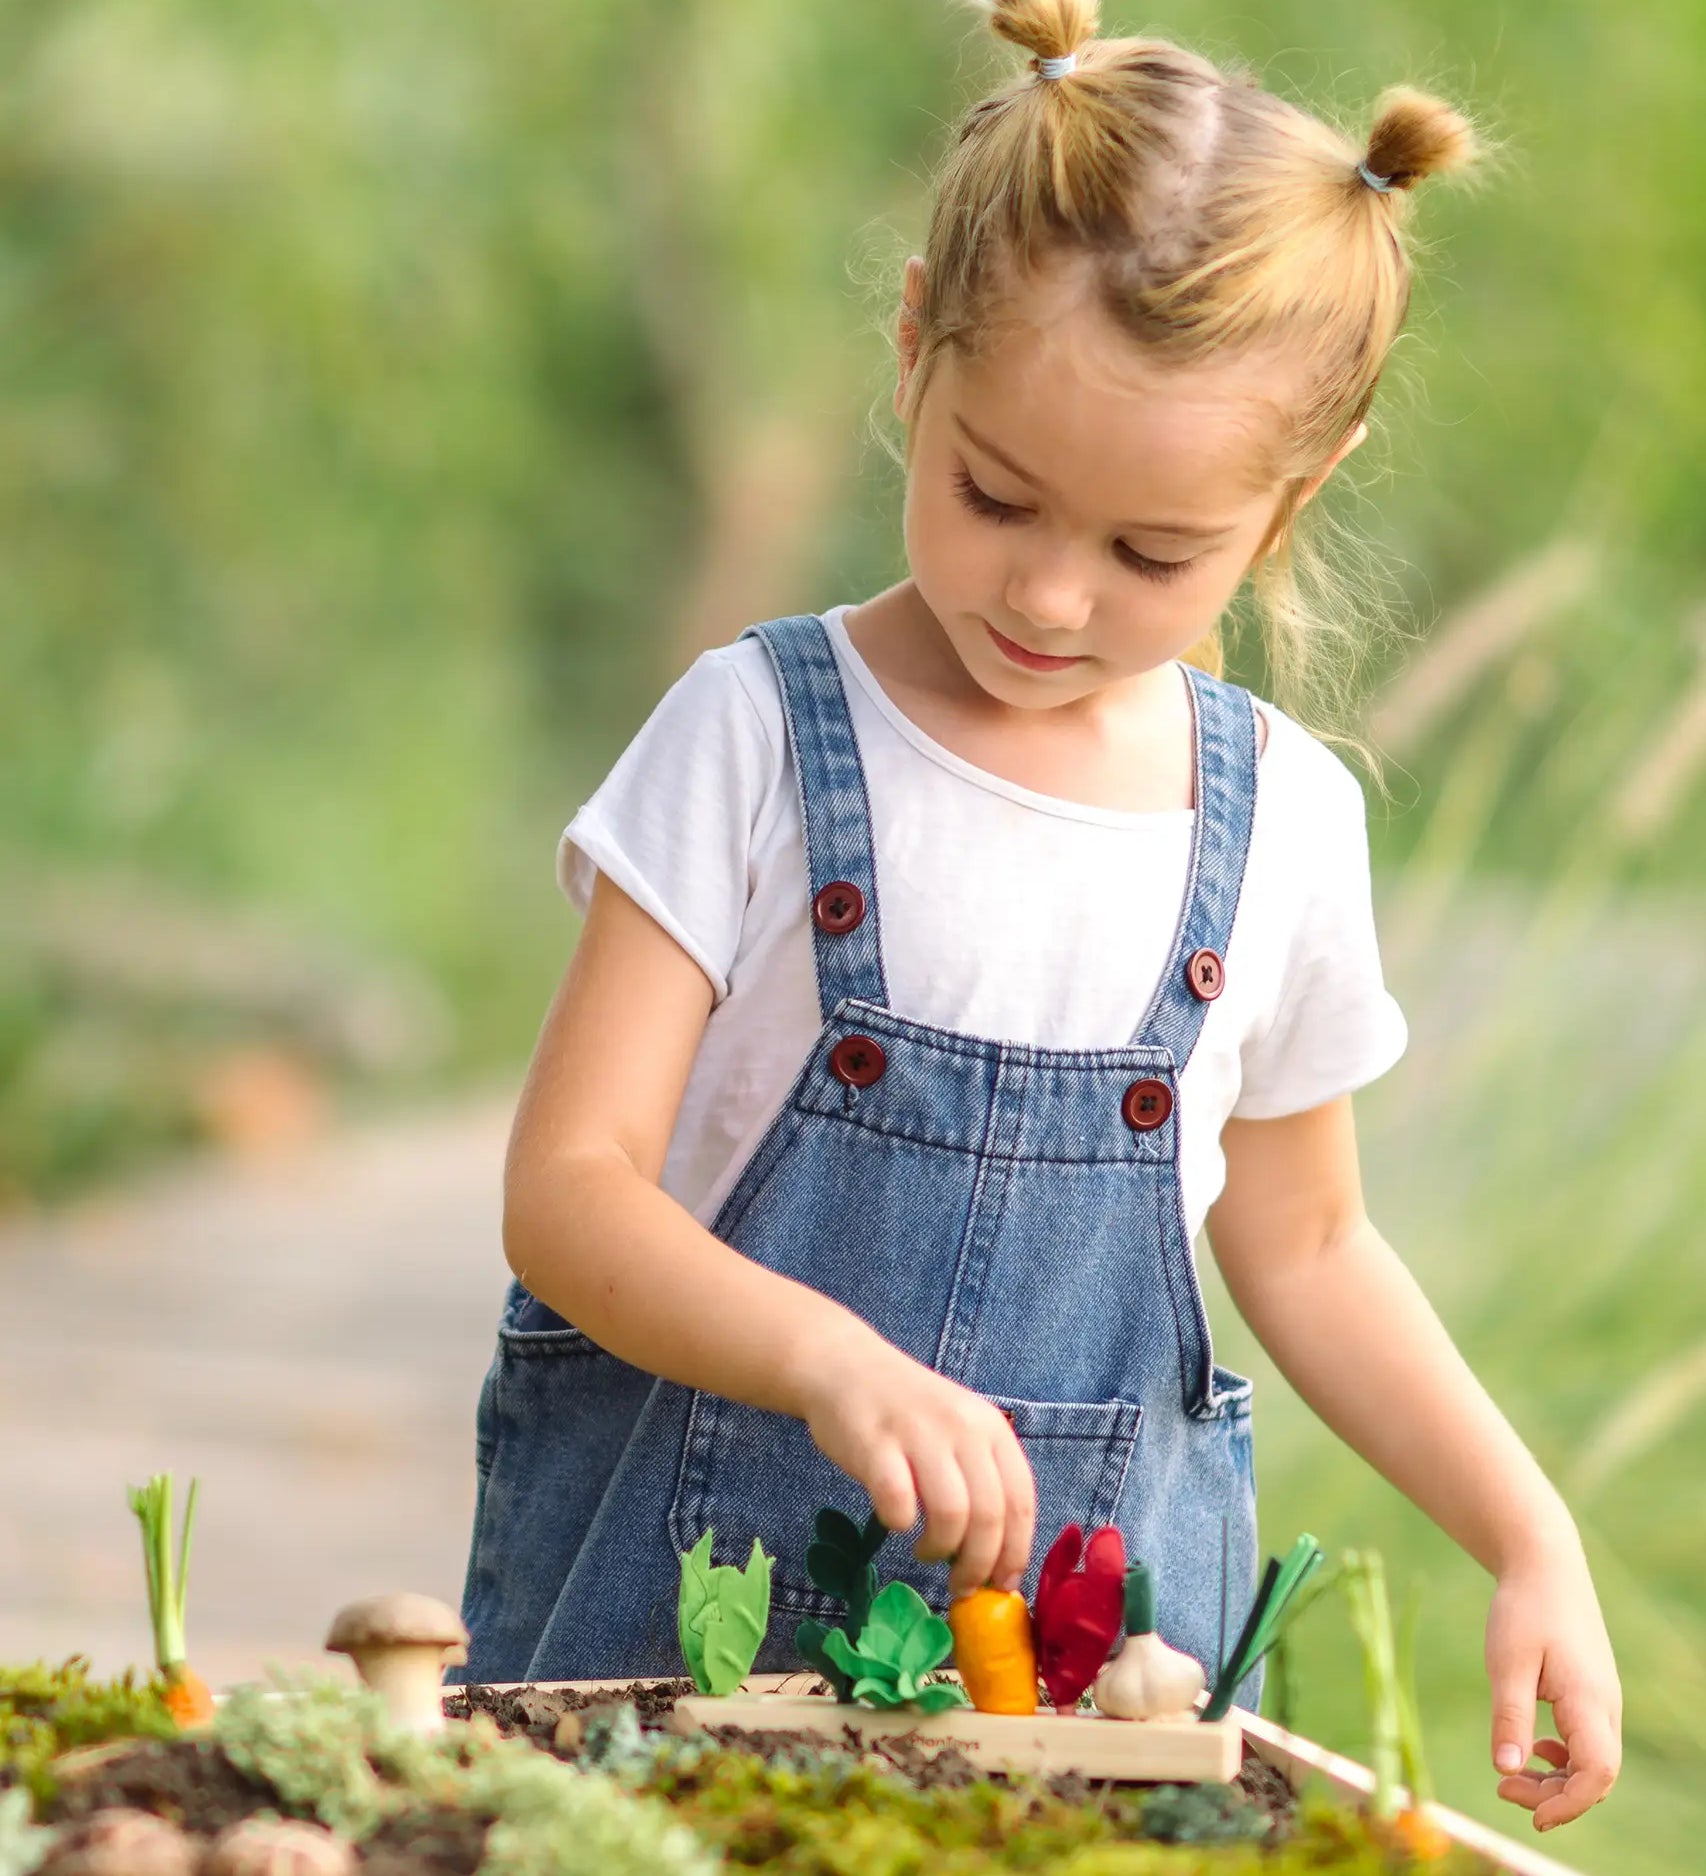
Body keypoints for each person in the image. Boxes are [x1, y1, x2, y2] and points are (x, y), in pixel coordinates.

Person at [449, 0, 1620, 1832]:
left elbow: (1307, 1248)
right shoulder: (756, 734)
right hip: (660, 1712)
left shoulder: (1282, 824)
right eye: (996, 496)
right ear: (914, 344)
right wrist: (823, 1356)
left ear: (1286, 499)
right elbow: (570, 1189)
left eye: (1153, 554)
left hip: (1083, 1753)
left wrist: (1524, 1529)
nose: (1055, 595)